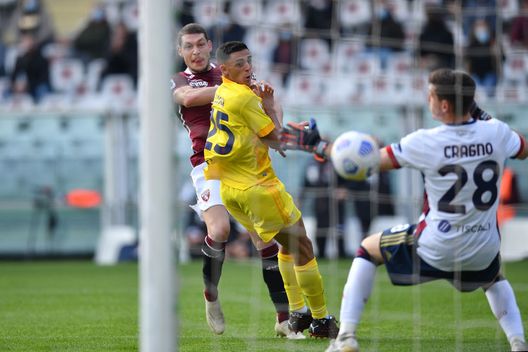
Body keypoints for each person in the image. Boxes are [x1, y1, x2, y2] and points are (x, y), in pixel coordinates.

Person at [281, 68, 528, 352]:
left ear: (444, 105)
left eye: (431, 95)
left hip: (437, 243)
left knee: (367, 249)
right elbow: (523, 149)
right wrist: (483, 116)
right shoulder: (497, 132)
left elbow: (371, 161)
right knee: (493, 276)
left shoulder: (425, 141)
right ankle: (518, 342)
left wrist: (320, 146)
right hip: (483, 246)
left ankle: (346, 337)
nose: (428, 100)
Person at [203, 40, 339, 339]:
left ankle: (298, 314)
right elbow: (278, 141)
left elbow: (264, 136)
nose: (248, 67)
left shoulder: (223, 94)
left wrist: (268, 113)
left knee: (288, 246)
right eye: (240, 64)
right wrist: (306, 137)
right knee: (303, 246)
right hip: (258, 188)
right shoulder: (243, 98)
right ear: (224, 69)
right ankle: (320, 319)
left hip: (232, 190)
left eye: (249, 60)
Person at [170, 24, 292, 337]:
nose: (195, 51)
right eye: (188, 47)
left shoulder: (233, 72)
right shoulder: (180, 80)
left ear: (210, 46)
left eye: (200, 44)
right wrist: (233, 86)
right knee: (220, 229)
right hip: (209, 166)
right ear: (180, 51)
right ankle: (211, 296)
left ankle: (283, 319)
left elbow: (270, 109)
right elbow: (187, 98)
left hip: (246, 166)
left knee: (265, 240)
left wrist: (270, 110)